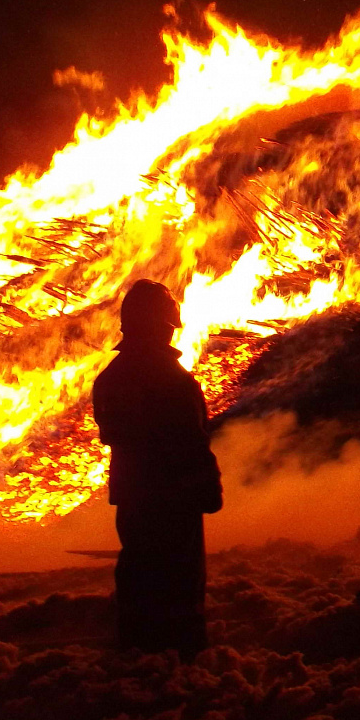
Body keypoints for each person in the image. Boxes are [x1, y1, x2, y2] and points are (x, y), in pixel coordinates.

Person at [93, 280, 222, 658]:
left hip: (133, 497)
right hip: (175, 499)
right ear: (161, 326)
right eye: (168, 326)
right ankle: (181, 661)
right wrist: (207, 489)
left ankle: (136, 654)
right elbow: (192, 442)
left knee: (138, 575)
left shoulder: (110, 378)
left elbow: (111, 434)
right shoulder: (174, 380)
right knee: (180, 583)